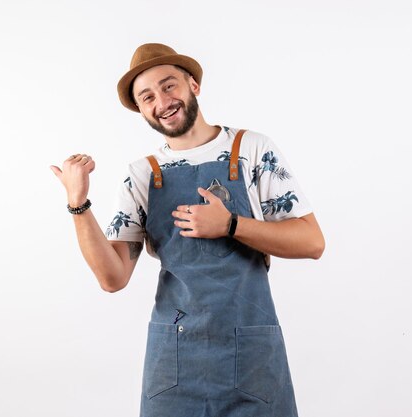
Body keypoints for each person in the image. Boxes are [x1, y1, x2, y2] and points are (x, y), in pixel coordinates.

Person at [50, 43, 325, 417]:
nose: (162, 101)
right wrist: (78, 203)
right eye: (147, 96)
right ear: (141, 110)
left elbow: (312, 242)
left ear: (193, 85)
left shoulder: (252, 150)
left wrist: (230, 224)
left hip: (252, 356)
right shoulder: (142, 176)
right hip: (174, 362)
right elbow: (112, 278)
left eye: (169, 86)